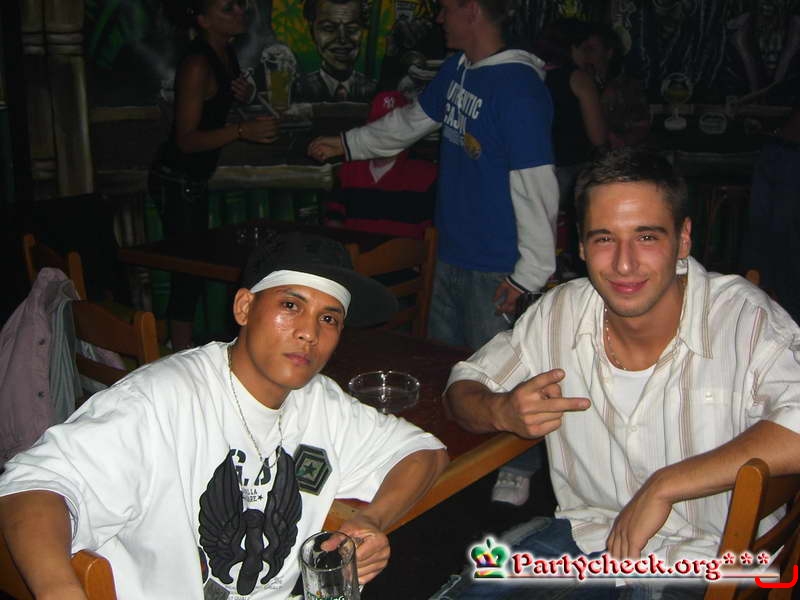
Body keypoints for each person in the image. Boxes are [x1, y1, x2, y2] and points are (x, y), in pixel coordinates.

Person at [434, 147, 800, 599]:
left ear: (683, 239)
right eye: (605, 238)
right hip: (590, 540)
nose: (624, 264)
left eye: (646, 237)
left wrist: (665, 485)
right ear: (581, 246)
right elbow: (463, 386)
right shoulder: (559, 314)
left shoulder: (743, 318)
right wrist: (501, 409)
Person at [0, 232, 449, 599]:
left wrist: (373, 519)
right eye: (290, 305)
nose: (309, 333)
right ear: (245, 307)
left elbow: (424, 452)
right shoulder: (163, 400)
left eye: (329, 318)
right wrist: (60, 591)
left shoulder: (320, 402)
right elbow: (32, 487)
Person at [308, 0, 558, 351]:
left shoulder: (518, 87)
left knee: (491, 377)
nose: (439, 19)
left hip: (498, 267)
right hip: (446, 252)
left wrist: (529, 276)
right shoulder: (458, 68)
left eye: (445, 9)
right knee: (441, 367)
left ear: (471, 10)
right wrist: (347, 143)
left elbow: (537, 185)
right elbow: (411, 121)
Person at [150, 0, 279, 350]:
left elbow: (216, 104)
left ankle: (182, 349)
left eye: (238, 6)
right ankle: (178, 354)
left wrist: (245, 95)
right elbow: (186, 140)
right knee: (187, 271)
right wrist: (242, 131)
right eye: (227, 9)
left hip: (192, 179)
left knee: (191, 269)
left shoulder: (224, 52)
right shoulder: (197, 63)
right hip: (176, 178)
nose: (239, 12)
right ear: (204, 20)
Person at [324, 90, 437, 239]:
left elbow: (433, 238)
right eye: (379, 130)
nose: (384, 138)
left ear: (407, 134)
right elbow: (333, 219)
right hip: (353, 253)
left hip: (406, 254)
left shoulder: (427, 176)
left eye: (391, 132)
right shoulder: (348, 171)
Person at [293, 0, 377, 102]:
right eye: (329, 28)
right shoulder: (297, 90)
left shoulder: (376, 91)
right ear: (312, 32)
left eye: (352, 29)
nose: (342, 39)